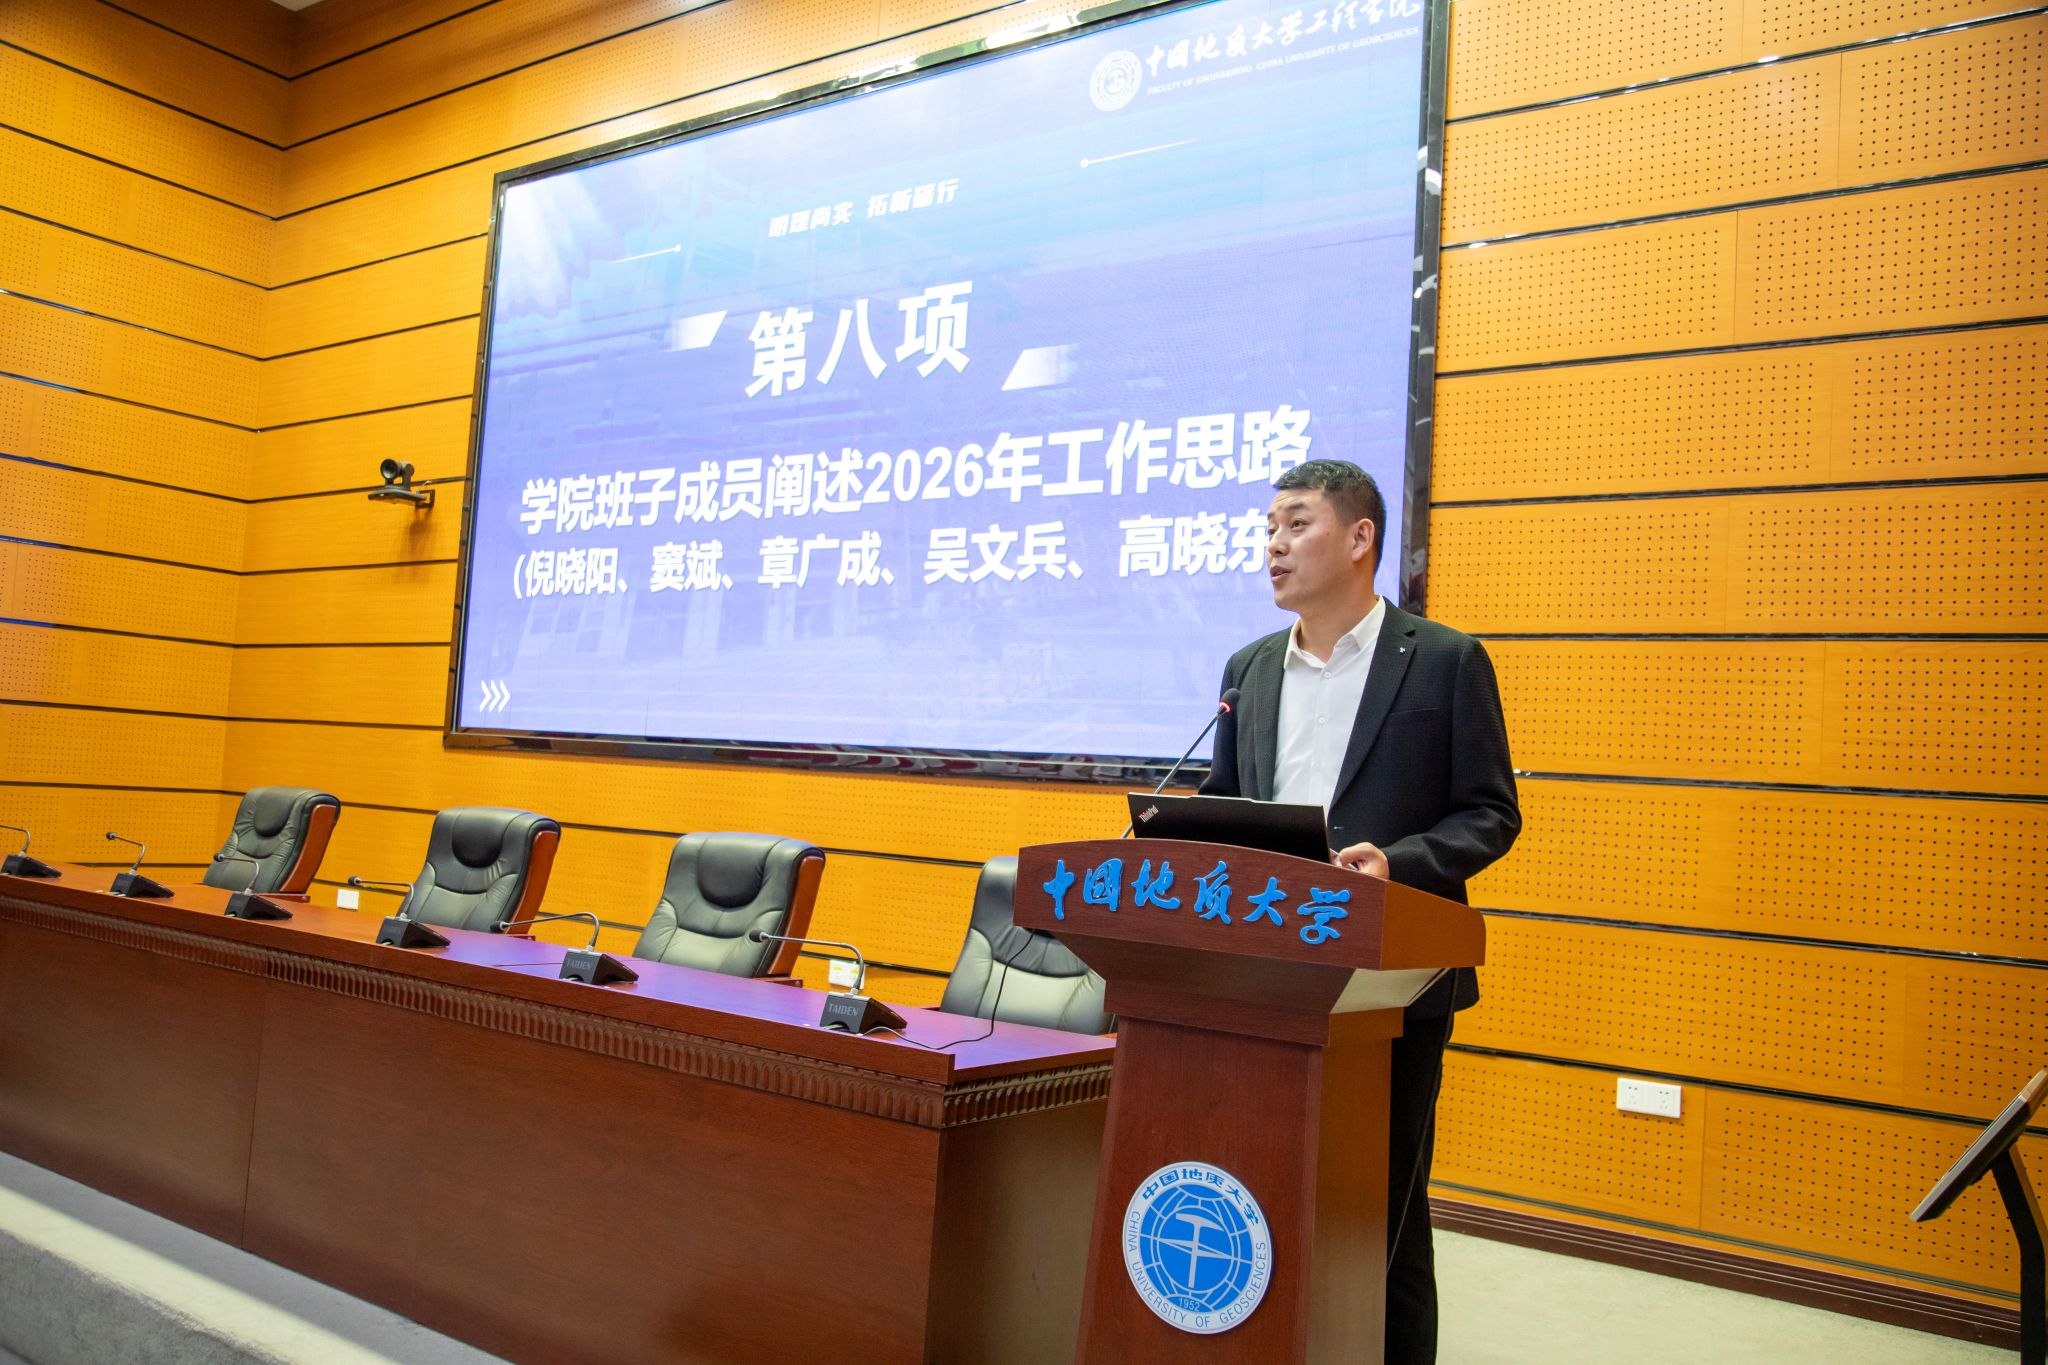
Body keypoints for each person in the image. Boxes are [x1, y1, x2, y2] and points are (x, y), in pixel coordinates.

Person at [1199, 458, 1520, 1364]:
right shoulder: (1250, 669)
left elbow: (1490, 812)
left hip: (1393, 980)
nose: (1273, 545)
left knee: (1383, 1212)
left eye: (1296, 524)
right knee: (1268, 1197)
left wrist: (1398, 864)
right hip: (1267, 976)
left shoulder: (1445, 661)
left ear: (1359, 537)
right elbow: (1226, 803)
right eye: (1268, 528)